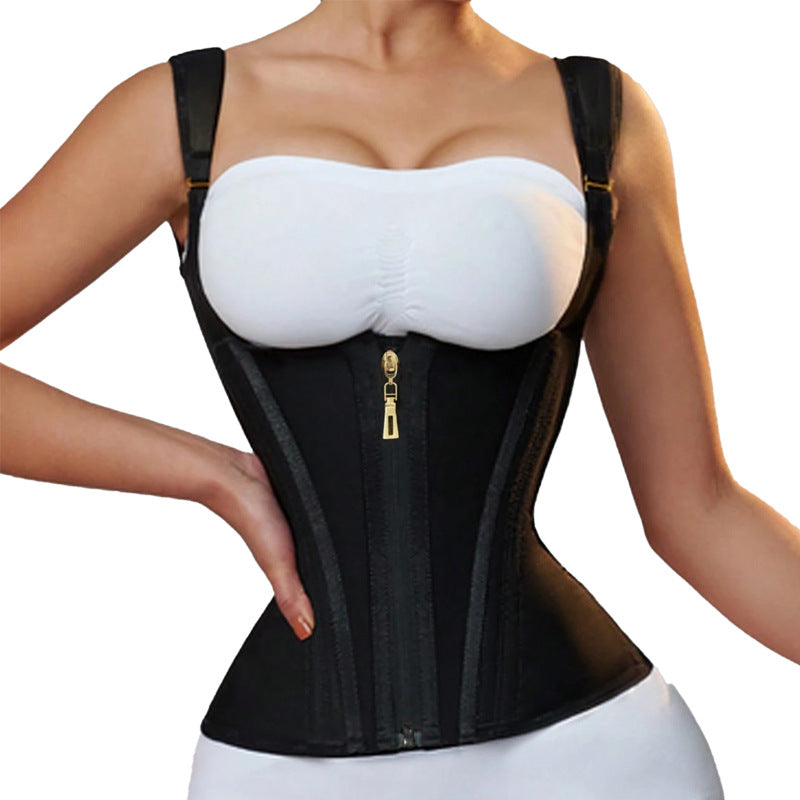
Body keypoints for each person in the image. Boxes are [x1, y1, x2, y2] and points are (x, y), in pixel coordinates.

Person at [1, 2, 798, 798]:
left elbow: (699, 509)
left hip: (598, 756)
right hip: (286, 771)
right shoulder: (181, 114)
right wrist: (211, 474)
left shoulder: (597, 116)